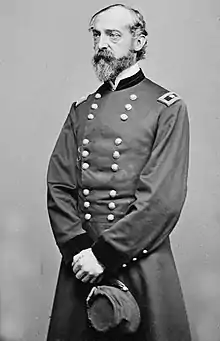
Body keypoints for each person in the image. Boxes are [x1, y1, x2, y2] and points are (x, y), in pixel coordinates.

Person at [46, 3, 192, 341]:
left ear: (139, 41)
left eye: (113, 34)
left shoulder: (166, 107)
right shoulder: (81, 109)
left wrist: (104, 255)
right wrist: (79, 251)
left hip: (136, 258)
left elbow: (162, 200)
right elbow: (58, 185)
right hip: (81, 263)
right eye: (96, 35)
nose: (102, 44)